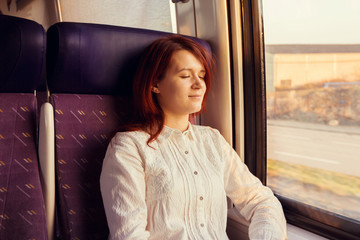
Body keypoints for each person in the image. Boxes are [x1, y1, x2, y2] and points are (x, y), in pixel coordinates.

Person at [100, 35, 287, 240]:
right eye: (185, 76)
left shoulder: (212, 140)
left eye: (201, 74)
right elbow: (129, 235)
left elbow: (261, 200)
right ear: (155, 84)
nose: (199, 84)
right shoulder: (129, 147)